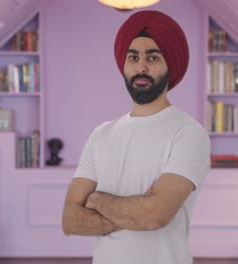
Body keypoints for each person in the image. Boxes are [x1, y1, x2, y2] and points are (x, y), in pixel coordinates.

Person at [62, 10, 210, 264]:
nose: (141, 67)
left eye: (152, 57)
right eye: (133, 58)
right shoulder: (101, 135)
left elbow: (154, 216)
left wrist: (96, 199)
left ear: (170, 65)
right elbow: (70, 220)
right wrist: (135, 211)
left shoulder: (189, 133)